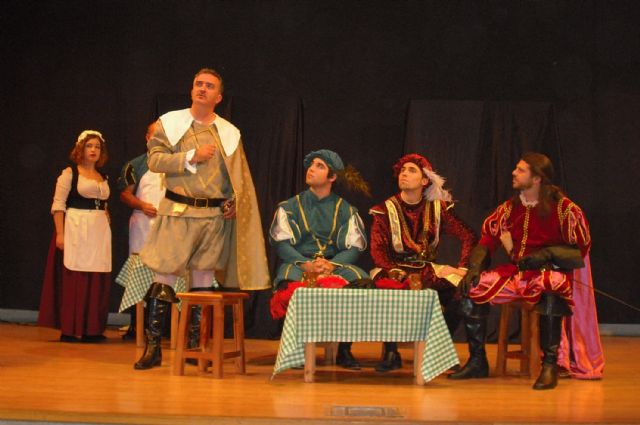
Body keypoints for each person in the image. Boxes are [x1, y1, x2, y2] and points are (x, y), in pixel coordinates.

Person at [135, 68, 270, 370]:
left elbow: (238, 177)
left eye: (209, 86)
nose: (202, 89)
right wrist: (190, 156)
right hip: (177, 212)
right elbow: (154, 160)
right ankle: (154, 348)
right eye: (199, 84)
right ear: (191, 89)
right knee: (164, 278)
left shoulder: (229, 133)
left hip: (212, 217)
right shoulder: (170, 123)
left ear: (218, 97)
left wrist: (233, 201)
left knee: (203, 283)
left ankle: (195, 348)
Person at [450, 152, 598, 390]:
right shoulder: (510, 208)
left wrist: (547, 254)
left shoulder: (564, 209)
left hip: (547, 273)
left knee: (551, 285)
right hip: (516, 274)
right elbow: (487, 240)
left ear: (537, 178)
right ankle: (478, 361)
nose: (513, 173)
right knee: (471, 287)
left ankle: (549, 365)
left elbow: (580, 249)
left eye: (520, 170)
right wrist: (474, 267)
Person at [369, 153, 476, 372]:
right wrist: (394, 271)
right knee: (388, 288)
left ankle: (438, 349)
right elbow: (378, 251)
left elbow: (468, 235)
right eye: (402, 170)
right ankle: (391, 352)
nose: (404, 174)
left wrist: (463, 268)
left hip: (427, 268)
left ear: (425, 180)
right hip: (394, 267)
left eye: (411, 170)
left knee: (462, 289)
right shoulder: (385, 209)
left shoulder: (437, 208)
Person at [269, 149, 369, 369]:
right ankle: (295, 349)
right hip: (299, 262)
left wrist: (331, 264)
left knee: (361, 281)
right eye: (311, 164)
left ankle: (344, 350)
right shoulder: (289, 207)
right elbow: (281, 243)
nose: (311, 169)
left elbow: (355, 247)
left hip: (334, 263)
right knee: (287, 283)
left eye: (319, 166)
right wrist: (305, 264)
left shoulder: (346, 210)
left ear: (332, 177)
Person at [38, 130, 112, 343]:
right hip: (76, 229)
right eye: (89, 146)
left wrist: (106, 214)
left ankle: (92, 329)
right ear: (81, 148)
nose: (93, 150)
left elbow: (103, 203)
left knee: (96, 277)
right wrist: (60, 234)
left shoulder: (103, 176)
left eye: (97, 147)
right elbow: (58, 205)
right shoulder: (70, 173)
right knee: (76, 278)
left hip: (98, 232)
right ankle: (71, 329)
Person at [115, 123, 186, 339]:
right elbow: (124, 194)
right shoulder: (135, 165)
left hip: (170, 228)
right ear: (147, 138)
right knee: (140, 276)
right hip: (143, 227)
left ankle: (166, 327)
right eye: (156, 136)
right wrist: (142, 205)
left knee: (167, 275)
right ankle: (137, 326)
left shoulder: (176, 164)